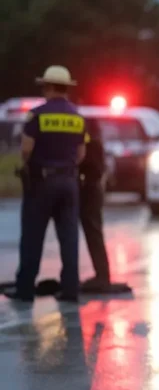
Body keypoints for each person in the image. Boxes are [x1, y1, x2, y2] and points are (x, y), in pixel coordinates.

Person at [10, 66, 87, 303]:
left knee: (33, 236)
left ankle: (25, 289)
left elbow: (26, 149)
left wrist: (30, 164)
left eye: (44, 86)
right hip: (69, 181)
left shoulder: (37, 116)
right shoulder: (77, 117)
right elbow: (81, 153)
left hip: (42, 183)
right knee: (69, 237)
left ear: (50, 87)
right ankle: (71, 289)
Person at [79, 117, 111, 291]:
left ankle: (102, 275)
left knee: (91, 231)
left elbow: (84, 163)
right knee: (94, 233)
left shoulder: (90, 144)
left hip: (88, 190)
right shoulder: (97, 144)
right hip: (94, 190)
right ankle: (102, 274)